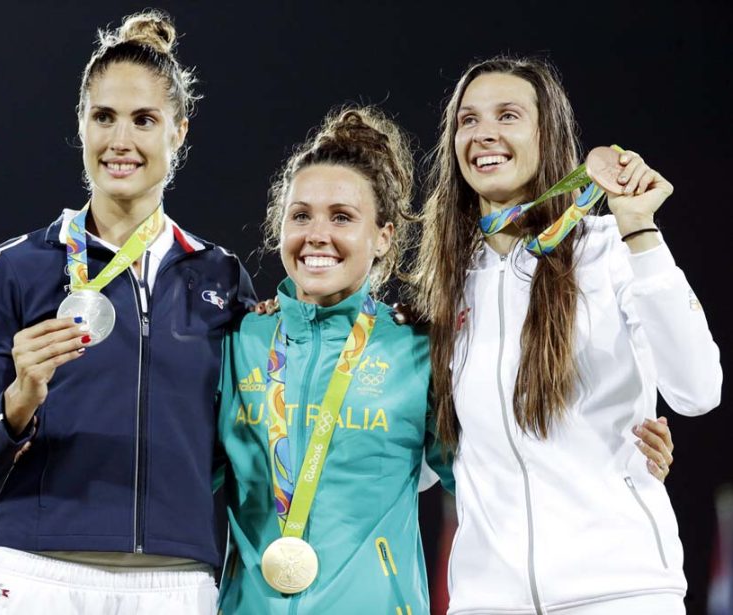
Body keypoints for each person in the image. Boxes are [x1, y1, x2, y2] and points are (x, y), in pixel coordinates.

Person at [0, 11, 254, 614]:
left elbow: (244, 442)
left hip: (177, 581)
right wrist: (20, 400)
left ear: (179, 131)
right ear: (80, 124)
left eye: (144, 120)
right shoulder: (15, 268)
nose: (120, 141)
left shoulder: (220, 277)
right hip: (37, 575)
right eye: (103, 117)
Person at [413, 55, 722, 614]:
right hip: (488, 601)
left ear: (546, 132)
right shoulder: (446, 289)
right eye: (468, 120)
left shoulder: (610, 249)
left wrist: (641, 229)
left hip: (620, 592)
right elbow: (423, 465)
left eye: (508, 116)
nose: (485, 133)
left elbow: (698, 390)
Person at [216, 105, 454, 613]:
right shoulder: (240, 342)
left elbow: (492, 477)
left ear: (383, 237)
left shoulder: (417, 349)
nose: (316, 235)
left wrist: (619, 455)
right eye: (300, 215)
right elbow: (177, 466)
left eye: (342, 217)